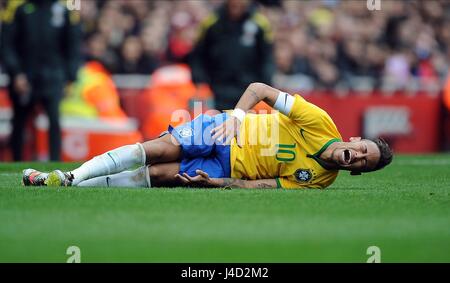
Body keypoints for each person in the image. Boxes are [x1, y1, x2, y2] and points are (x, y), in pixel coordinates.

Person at [22, 82, 393, 189]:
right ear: (353, 138)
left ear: (356, 171)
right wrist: (236, 117)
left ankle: (62, 184)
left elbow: (265, 187)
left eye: (363, 161)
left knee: (161, 176)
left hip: (225, 167)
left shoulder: (319, 181)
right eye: (361, 149)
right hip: (222, 130)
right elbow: (259, 88)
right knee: (158, 149)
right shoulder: (319, 121)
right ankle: (71, 176)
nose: (357, 155)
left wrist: (219, 185)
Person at [0, 0, 81, 161]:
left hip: (53, 76)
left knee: (54, 120)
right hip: (25, 75)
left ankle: (55, 163)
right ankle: (17, 161)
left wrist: (70, 77)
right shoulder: (18, 8)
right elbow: (7, 45)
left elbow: (73, 45)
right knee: (19, 122)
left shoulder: (64, 9)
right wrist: (16, 73)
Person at [189, 0, 275, 110]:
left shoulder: (260, 24)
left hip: (248, 92)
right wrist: (200, 82)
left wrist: (264, 87)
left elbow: (267, 59)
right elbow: (198, 57)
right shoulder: (211, 22)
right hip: (216, 90)